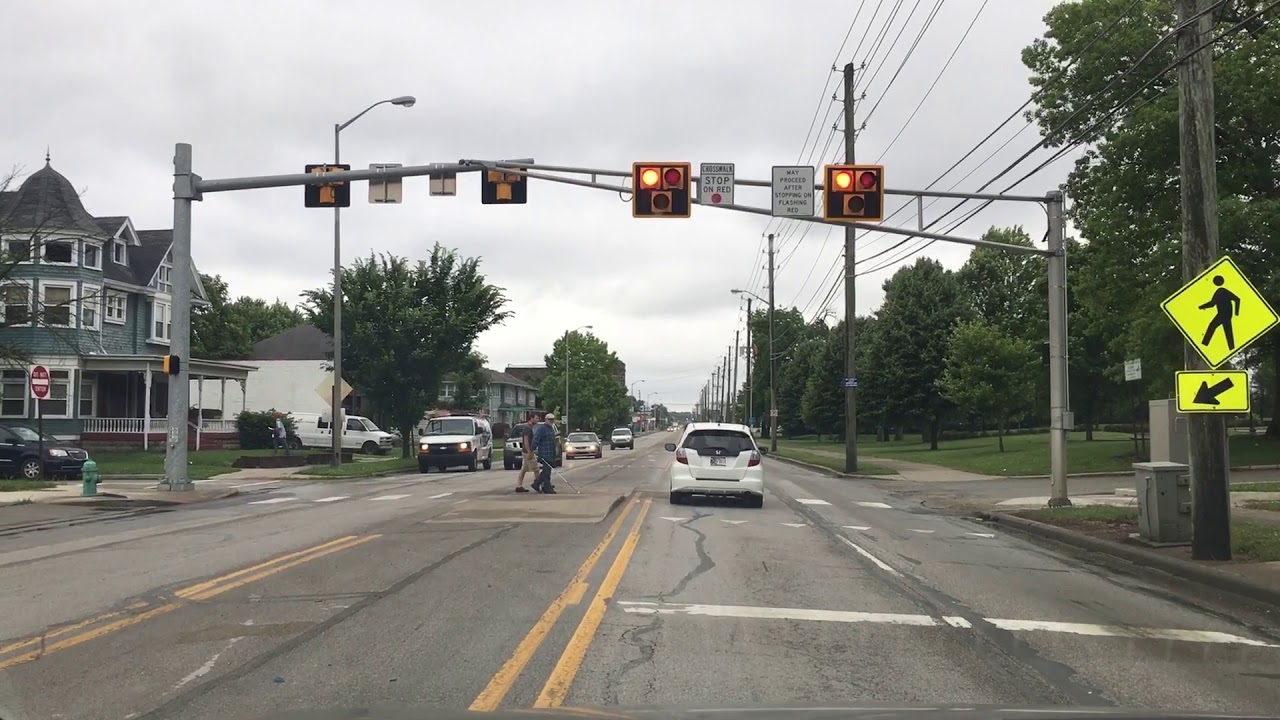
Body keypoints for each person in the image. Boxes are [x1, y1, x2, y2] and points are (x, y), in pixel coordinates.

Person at [532, 412, 559, 494]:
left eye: (552, 420)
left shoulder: (551, 429)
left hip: (550, 453)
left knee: (546, 471)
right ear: (546, 420)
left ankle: (537, 484)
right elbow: (535, 439)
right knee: (546, 471)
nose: (551, 421)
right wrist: (533, 449)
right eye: (549, 419)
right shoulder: (542, 429)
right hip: (544, 453)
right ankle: (547, 488)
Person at [513, 412, 538, 493]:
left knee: (523, 469)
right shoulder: (527, 428)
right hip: (527, 452)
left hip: (526, 451)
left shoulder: (529, 427)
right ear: (531, 418)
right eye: (536, 418)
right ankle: (538, 484)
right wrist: (529, 451)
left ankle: (519, 486)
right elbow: (525, 440)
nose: (537, 420)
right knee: (536, 469)